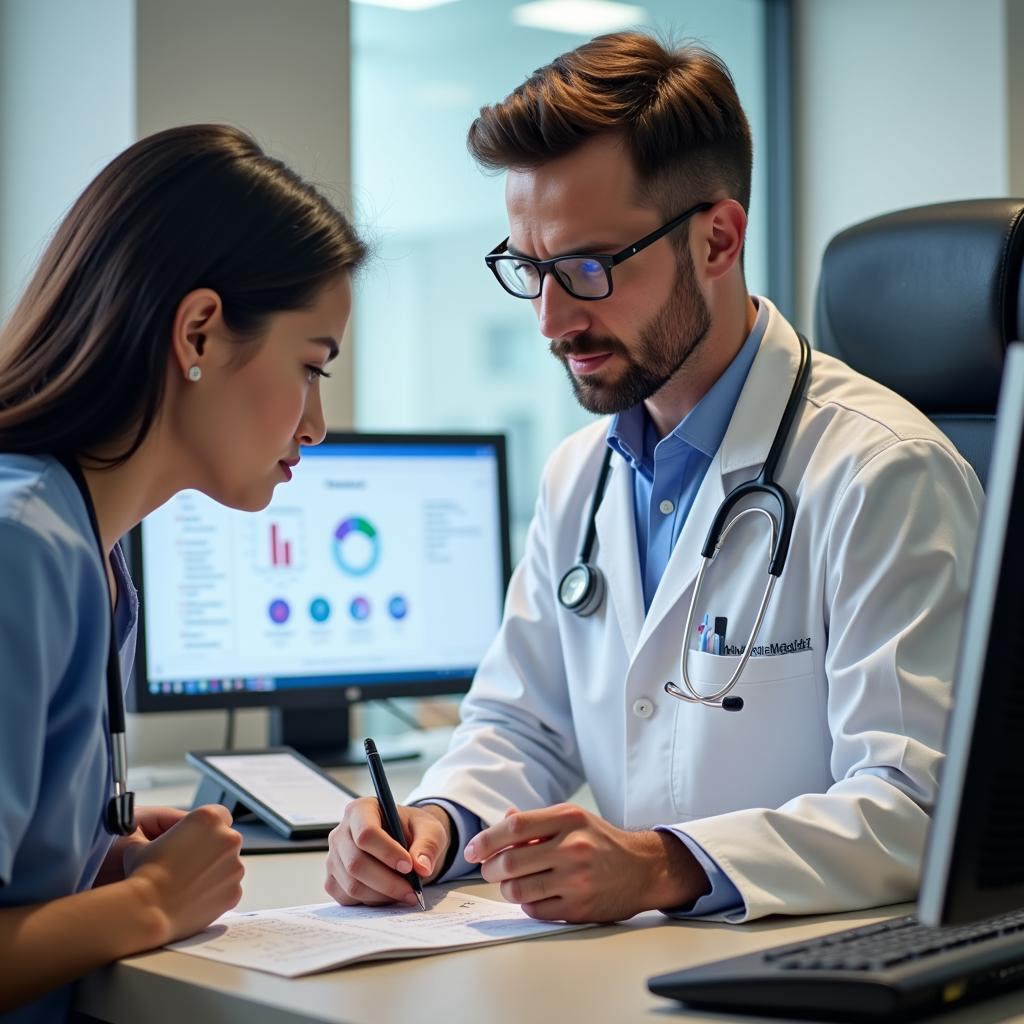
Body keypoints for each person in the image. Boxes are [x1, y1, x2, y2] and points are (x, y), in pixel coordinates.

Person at [325, 32, 982, 925]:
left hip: (810, 976)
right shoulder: (580, 477)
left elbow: (917, 804)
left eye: (589, 267)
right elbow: (521, 724)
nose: (553, 320)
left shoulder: (880, 473)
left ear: (717, 239)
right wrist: (434, 823)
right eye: (531, 269)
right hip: (636, 977)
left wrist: (664, 865)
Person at [0, 124, 365, 1021]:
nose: (316, 425)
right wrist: (151, 903)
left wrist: (101, 860)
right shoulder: (20, 548)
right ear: (199, 329)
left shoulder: (95, 548)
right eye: (311, 368)